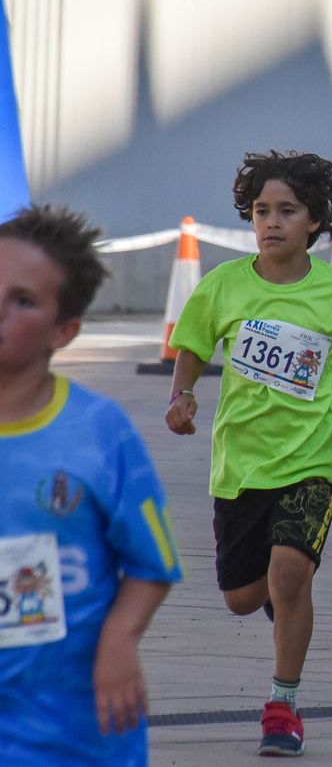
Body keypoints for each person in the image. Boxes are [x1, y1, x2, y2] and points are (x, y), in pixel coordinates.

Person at [165, 152, 332, 755]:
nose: (272, 222)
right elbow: (190, 343)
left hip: (315, 457)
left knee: (291, 572)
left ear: (314, 221)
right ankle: (285, 606)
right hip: (240, 463)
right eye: (262, 211)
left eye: (287, 211)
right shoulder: (223, 286)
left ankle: (283, 704)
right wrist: (181, 395)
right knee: (244, 597)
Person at [1, 206, 183, 765]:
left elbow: (153, 564)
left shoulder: (100, 434)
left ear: (65, 330)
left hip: (76, 732)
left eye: (22, 300)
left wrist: (119, 639)